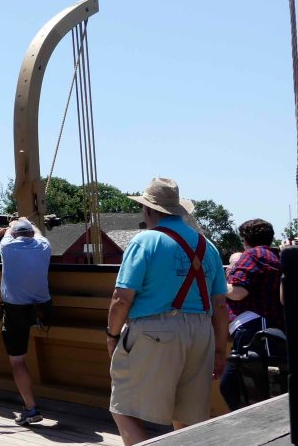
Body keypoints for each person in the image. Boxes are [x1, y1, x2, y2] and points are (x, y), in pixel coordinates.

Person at [107, 178, 228, 445]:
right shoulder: (208, 246)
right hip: (202, 333)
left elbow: (122, 298)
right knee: (187, 419)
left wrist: (112, 335)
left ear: (149, 210)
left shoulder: (145, 241)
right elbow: (220, 305)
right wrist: (220, 351)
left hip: (155, 331)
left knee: (123, 408)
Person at [220, 218, 284, 410]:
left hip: (253, 328)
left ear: (245, 239)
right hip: (267, 327)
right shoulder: (274, 256)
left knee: (236, 385)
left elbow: (239, 292)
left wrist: (216, 283)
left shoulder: (253, 254)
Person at [0, 218, 52, 425]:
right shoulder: (44, 245)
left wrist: (12, 223)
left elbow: (8, 233)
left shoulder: (7, 246)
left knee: (18, 361)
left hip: (16, 310)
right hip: (43, 308)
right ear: (30, 233)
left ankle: (30, 408)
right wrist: (26, 220)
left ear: (14, 234)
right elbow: (38, 233)